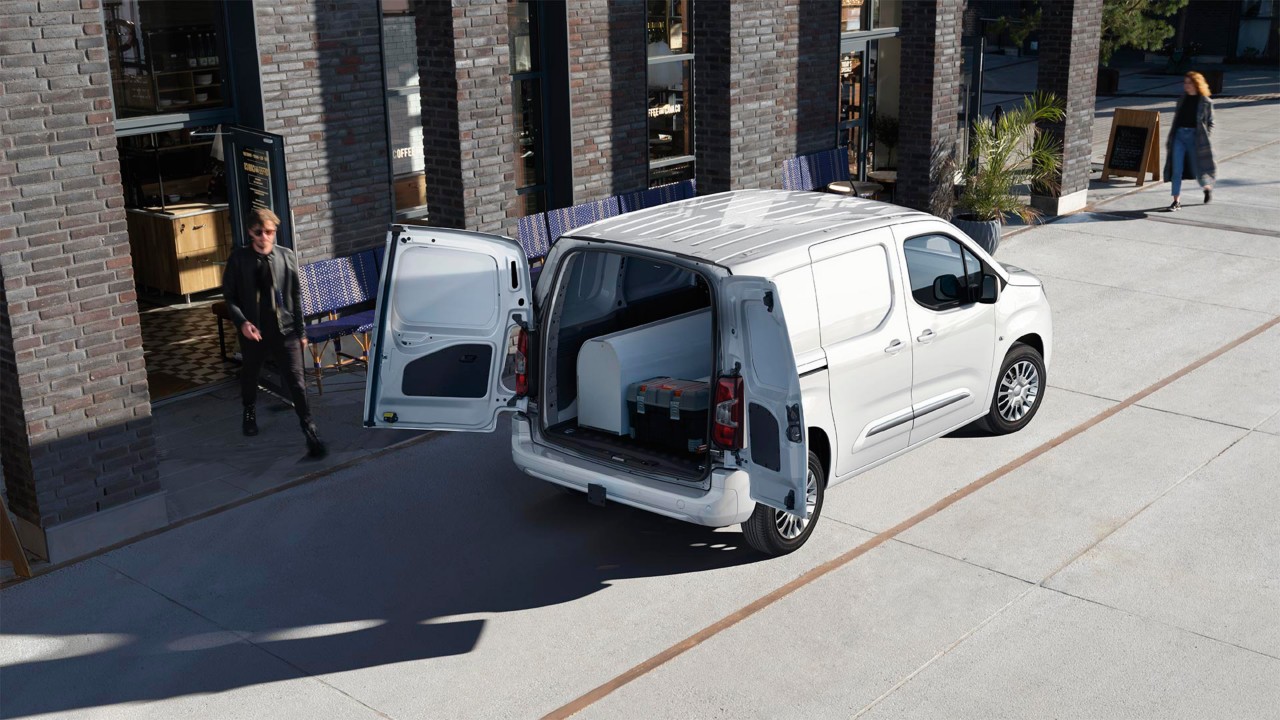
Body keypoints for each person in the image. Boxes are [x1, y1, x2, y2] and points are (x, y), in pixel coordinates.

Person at [222, 208, 327, 458]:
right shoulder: (239, 259)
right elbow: (230, 297)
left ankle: (309, 428)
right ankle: (249, 411)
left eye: (269, 232)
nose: (264, 237)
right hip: (255, 331)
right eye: (259, 232)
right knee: (250, 375)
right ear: (251, 232)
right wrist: (242, 323)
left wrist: (301, 331)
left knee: (297, 382)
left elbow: (296, 296)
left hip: (285, 329)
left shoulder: (286, 256)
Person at [1163, 71, 1216, 212]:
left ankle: (1207, 188)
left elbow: (1211, 122)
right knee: (1177, 169)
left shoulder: (1205, 101)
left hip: (1195, 138)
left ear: (1196, 84)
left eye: (1189, 82)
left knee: (1197, 168)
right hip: (1179, 136)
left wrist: (1205, 136)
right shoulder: (1181, 99)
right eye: (1185, 82)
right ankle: (1176, 201)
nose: (1186, 85)